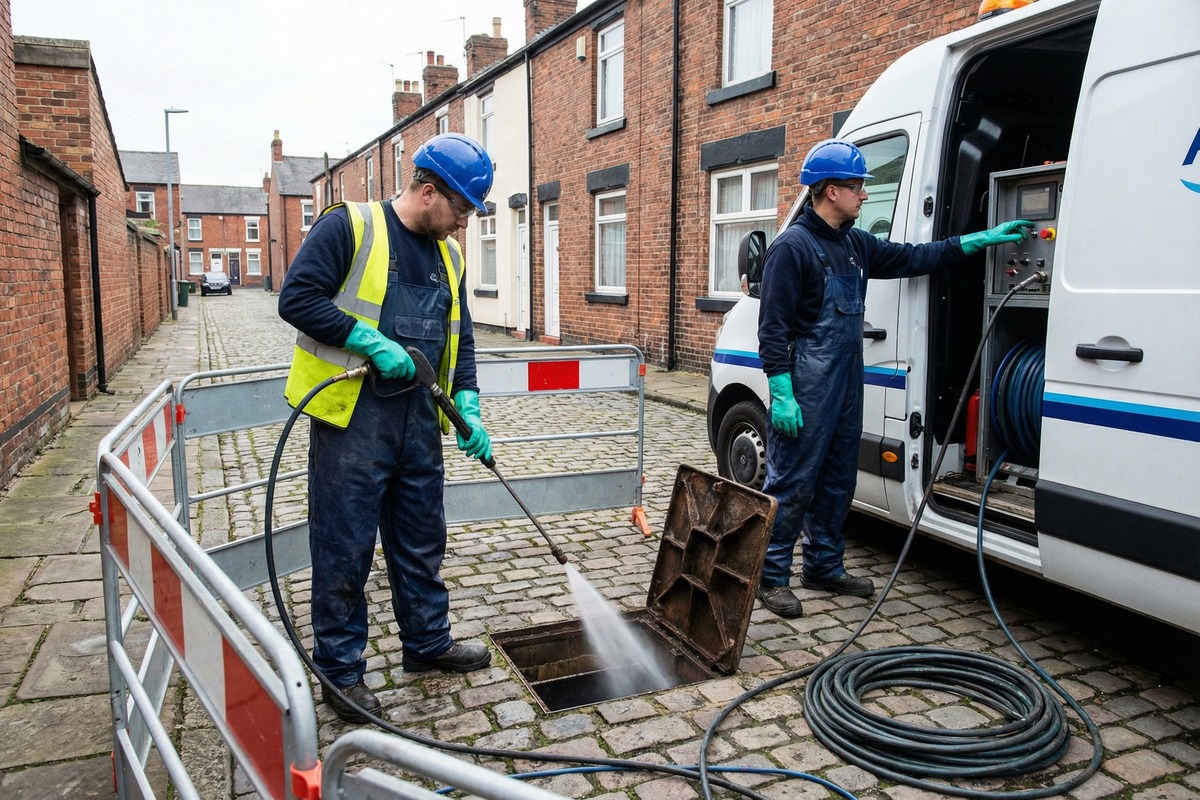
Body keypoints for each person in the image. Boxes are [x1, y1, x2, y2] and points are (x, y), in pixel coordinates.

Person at [755, 139, 1031, 619]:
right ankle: (771, 577)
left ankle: (823, 566)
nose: (864, 195)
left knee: (839, 477)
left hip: (844, 380)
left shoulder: (856, 245)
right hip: (805, 384)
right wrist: (781, 392)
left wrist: (983, 239)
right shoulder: (791, 249)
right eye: (858, 187)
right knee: (793, 481)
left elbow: (916, 257)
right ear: (830, 191)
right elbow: (772, 330)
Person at [278, 132, 496, 723]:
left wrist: (469, 404)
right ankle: (342, 674)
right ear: (429, 193)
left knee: (422, 540)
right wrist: (367, 339)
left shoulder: (449, 257)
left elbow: (463, 340)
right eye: (461, 211)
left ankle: (427, 644)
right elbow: (296, 297)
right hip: (353, 420)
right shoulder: (350, 227)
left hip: (419, 421)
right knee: (345, 549)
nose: (463, 227)